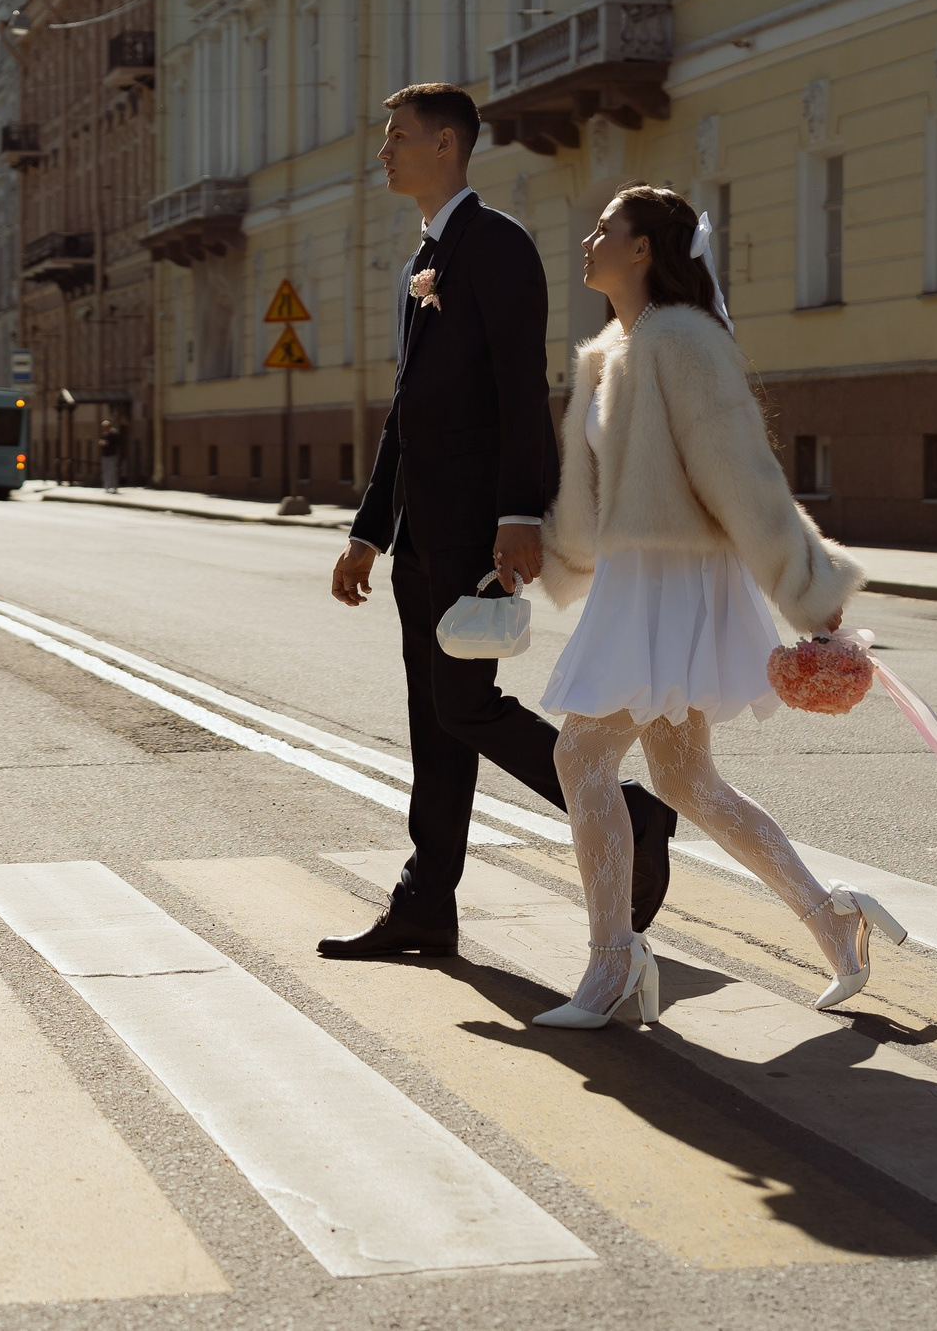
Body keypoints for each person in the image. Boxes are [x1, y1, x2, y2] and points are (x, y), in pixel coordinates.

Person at [529, 185, 903, 1029]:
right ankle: (833, 920)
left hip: (679, 586)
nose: (587, 239)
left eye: (604, 230)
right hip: (638, 582)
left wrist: (808, 592)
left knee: (581, 758)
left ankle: (613, 963)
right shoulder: (609, 353)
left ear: (642, 251)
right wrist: (548, 558)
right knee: (685, 779)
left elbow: (743, 473)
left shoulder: (683, 345)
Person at [325, 84, 678, 960]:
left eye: (397, 136)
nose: (384, 152)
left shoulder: (497, 246)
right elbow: (409, 409)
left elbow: (524, 387)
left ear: (447, 145)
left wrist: (521, 511)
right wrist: (370, 528)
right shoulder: (427, 261)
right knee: (435, 715)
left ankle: (631, 815)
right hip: (423, 537)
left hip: (479, 529)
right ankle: (425, 904)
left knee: (464, 705)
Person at [98, 417, 123, 494]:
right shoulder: (104, 434)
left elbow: (113, 443)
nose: (104, 429)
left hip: (112, 455)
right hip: (105, 455)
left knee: (113, 471)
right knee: (105, 471)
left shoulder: (114, 434)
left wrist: (104, 443)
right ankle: (107, 486)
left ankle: (114, 487)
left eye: (105, 427)